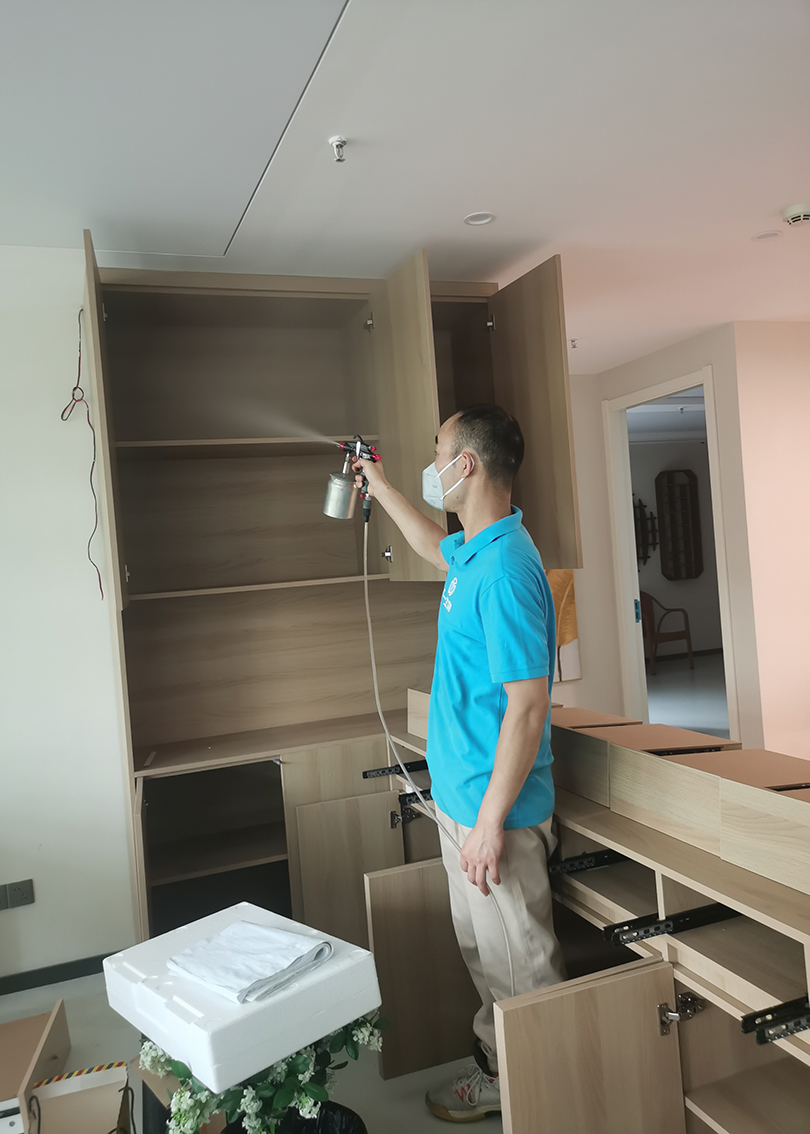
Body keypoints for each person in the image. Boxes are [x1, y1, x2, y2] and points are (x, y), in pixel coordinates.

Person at [354, 404, 566, 1123]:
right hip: (464, 802)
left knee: (522, 965)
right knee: (486, 954)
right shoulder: (476, 550)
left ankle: (547, 1102)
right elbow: (428, 544)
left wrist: (489, 823)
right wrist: (381, 486)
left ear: (465, 464)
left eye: (437, 450)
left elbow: (528, 708)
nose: (433, 462)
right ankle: (505, 1075)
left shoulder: (504, 571)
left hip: (491, 813)